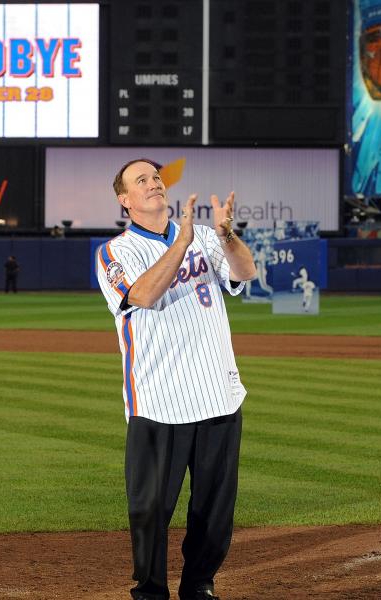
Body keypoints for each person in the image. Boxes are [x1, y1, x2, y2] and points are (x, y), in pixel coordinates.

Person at [95, 159, 257, 600]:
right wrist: (181, 242)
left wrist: (224, 234)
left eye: (156, 178)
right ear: (124, 201)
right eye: (141, 180)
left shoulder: (205, 236)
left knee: (215, 510)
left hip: (218, 394)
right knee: (150, 509)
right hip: (158, 399)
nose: (154, 184)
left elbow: (245, 273)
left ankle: (199, 584)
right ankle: (150, 590)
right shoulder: (115, 252)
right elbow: (143, 295)